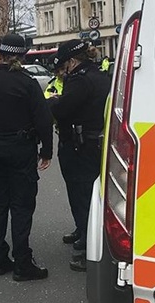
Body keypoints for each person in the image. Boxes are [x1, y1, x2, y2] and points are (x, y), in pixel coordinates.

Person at [0, 34, 53, 281]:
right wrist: (46, 151)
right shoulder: (27, 83)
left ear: (0, 53)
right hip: (21, 149)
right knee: (22, 206)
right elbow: (43, 119)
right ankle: (23, 263)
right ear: (22, 55)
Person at [48, 40, 111, 272]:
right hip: (94, 143)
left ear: (72, 61)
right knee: (89, 193)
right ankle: (82, 230)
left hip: (79, 146)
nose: (61, 71)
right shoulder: (100, 75)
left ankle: (87, 246)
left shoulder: (79, 80)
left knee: (81, 194)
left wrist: (52, 103)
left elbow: (64, 110)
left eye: (63, 66)